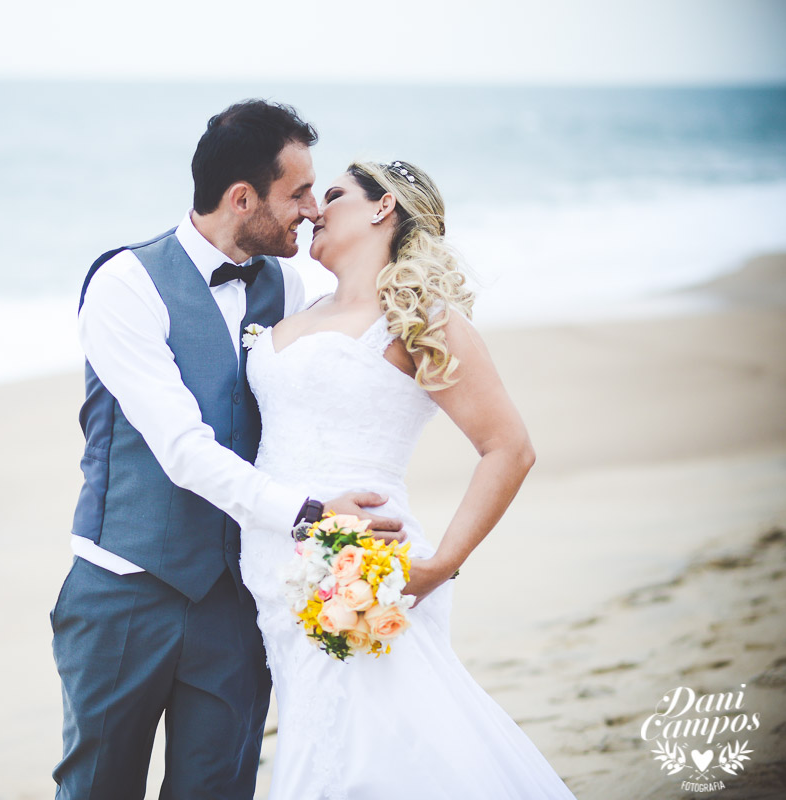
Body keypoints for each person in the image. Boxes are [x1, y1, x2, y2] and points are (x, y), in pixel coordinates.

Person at [50, 101, 402, 800]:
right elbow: (183, 450)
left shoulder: (295, 287)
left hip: (239, 599)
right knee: (98, 789)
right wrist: (312, 514)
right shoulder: (126, 286)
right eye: (297, 193)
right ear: (242, 199)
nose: (312, 209)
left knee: (220, 790)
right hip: (125, 589)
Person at [239, 159, 579, 798]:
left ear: (382, 207)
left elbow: (509, 448)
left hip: (359, 572)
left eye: (332, 195)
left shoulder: (419, 318)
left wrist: (441, 564)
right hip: (272, 577)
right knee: (326, 742)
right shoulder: (299, 307)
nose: (314, 208)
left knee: (371, 755)